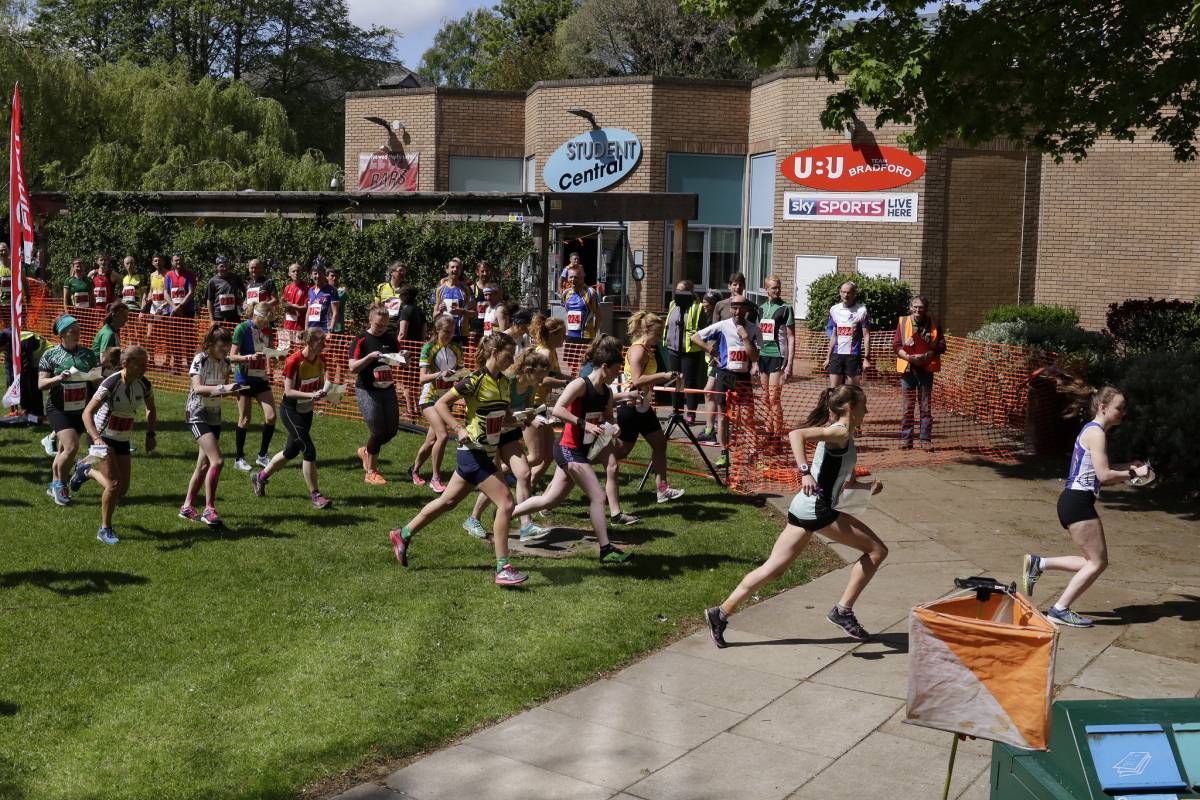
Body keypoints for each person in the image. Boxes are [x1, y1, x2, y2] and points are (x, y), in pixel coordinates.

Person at [705, 385, 888, 646]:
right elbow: (796, 434)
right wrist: (804, 472)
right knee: (877, 551)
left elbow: (840, 483)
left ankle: (720, 613)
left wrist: (867, 487)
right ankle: (842, 611)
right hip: (817, 509)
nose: (867, 410)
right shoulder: (839, 431)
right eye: (864, 405)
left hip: (805, 507)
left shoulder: (842, 434)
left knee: (774, 570)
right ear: (850, 408)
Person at [389, 333, 530, 587]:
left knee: (448, 502)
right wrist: (458, 427)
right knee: (507, 503)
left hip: (485, 452)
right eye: (508, 354)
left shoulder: (506, 383)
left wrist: (521, 418)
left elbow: (503, 416)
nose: (512, 359)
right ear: (495, 352)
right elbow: (442, 403)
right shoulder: (474, 380)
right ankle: (503, 567)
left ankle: (403, 533)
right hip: (473, 452)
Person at [1020, 383, 1150, 628]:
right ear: (1103, 407)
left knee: (1091, 560)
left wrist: (1128, 466)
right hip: (1077, 504)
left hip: (1074, 501)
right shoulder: (1097, 433)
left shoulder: (1093, 431)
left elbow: (1101, 474)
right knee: (1097, 562)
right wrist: (1134, 472)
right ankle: (1059, 609)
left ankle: (1040, 564)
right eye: (1119, 408)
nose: (1123, 412)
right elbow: (1103, 476)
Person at [509, 335, 633, 564]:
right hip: (568, 448)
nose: (619, 373)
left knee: (550, 499)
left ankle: (507, 514)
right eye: (616, 369)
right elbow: (557, 409)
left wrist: (612, 428)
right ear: (604, 367)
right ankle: (606, 550)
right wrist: (584, 424)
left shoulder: (606, 393)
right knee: (597, 496)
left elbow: (607, 419)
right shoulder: (580, 384)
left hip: (583, 451)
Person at [463, 348, 552, 543]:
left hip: (510, 433)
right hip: (492, 432)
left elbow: (527, 408)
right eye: (540, 377)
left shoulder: (529, 386)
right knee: (497, 481)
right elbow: (499, 416)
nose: (542, 381)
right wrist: (523, 421)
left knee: (524, 473)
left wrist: (532, 416)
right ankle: (473, 519)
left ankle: (526, 525)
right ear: (527, 370)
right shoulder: (507, 382)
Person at [604, 312, 685, 525]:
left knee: (660, 444)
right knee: (619, 452)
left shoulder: (647, 349)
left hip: (644, 406)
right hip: (631, 408)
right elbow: (638, 380)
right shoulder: (638, 350)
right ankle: (581, 461)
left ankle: (662, 489)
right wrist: (663, 376)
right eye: (657, 333)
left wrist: (671, 378)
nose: (660, 337)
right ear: (646, 331)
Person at [73, 345, 157, 544]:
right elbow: (87, 413)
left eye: (146, 364)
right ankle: (104, 529)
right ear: (126, 363)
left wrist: (150, 434)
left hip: (122, 439)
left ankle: (86, 471)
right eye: (141, 364)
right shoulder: (111, 383)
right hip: (102, 437)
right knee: (113, 485)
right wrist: (96, 439)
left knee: (123, 488)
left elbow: (151, 409)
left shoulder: (144, 384)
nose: (145, 369)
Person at [251, 328, 333, 509]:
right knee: (309, 450)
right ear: (310, 343)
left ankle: (260, 477)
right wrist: (312, 395)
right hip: (291, 410)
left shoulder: (321, 359)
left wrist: (324, 392)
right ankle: (315, 495)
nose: (324, 346)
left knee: (291, 451)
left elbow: (320, 382)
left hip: (307, 410)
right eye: (321, 343)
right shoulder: (294, 361)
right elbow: (288, 391)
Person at [180, 324, 241, 527]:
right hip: (197, 414)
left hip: (214, 415)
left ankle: (187, 507)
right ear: (211, 344)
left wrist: (234, 390)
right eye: (222, 346)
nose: (226, 350)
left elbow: (219, 390)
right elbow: (197, 389)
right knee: (218, 461)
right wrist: (225, 387)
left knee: (204, 464)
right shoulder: (200, 359)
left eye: (227, 346)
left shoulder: (224, 363)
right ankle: (209, 509)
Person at [38, 315, 101, 505]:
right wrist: (58, 378)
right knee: (72, 446)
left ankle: (53, 484)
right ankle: (60, 484)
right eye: (73, 331)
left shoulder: (89, 355)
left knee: (64, 450)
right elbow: (41, 384)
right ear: (62, 334)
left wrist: (97, 383)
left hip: (81, 410)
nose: (78, 334)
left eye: (78, 330)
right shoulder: (50, 355)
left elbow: (98, 382)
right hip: (58, 409)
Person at [692, 294, 760, 470]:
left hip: (743, 377)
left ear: (746, 309)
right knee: (723, 416)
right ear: (731, 309)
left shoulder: (753, 329)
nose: (738, 311)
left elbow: (755, 356)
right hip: (724, 374)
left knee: (747, 417)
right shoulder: (723, 325)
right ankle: (724, 454)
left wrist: (745, 338)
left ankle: (754, 455)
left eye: (741, 307)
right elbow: (695, 337)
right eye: (734, 307)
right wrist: (710, 350)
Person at [349, 304, 403, 484]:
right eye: (379, 325)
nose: (382, 328)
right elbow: (352, 367)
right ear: (371, 320)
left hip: (387, 388)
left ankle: (366, 452)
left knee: (392, 430)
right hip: (367, 390)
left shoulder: (391, 338)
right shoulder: (361, 340)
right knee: (378, 430)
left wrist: (405, 356)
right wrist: (369, 357)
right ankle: (371, 472)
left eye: (385, 325)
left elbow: (401, 362)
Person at [410, 315, 464, 491]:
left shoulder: (456, 348)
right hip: (429, 398)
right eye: (446, 332)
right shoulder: (429, 348)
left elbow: (460, 373)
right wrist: (440, 374)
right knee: (443, 435)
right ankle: (435, 478)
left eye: (452, 331)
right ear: (437, 330)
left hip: (446, 399)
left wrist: (463, 381)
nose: (449, 335)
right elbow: (422, 378)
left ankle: (414, 470)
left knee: (431, 440)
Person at [893, 295, 946, 450]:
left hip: (926, 370)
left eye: (921, 307)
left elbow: (942, 345)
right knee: (908, 408)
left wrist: (930, 354)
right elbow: (896, 345)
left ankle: (925, 440)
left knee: (925, 408)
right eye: (915, 306)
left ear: (925, 308)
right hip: (908, 370)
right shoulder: (903, 322)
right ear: (911, 307)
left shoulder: (934, 323)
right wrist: (907, 356)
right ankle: (906, 439)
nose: (917, 310)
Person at [230, 303, 278, 472]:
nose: (267, 324)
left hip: (260, 377)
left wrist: (276, 355)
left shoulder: (268, 329)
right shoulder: (241, 328)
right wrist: (248, 357)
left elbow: (267, 350)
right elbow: (231, 356)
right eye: (265, 321)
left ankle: (262, 456)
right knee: (245, 419)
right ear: (258, 316)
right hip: (243, 378)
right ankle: (239, 458)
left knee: (271, 416)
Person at [527, 315, 569, 483]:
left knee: (549, 455)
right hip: (533, 406)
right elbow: (542, 379)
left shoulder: (551, 351)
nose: (565, 338)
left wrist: (574, 378)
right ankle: (499, 473)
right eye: (562, 334)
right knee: (537, 457)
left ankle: (529, 486)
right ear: (552, 335)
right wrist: (566, 383)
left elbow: (553, 373)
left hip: (541, 406)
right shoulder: (544, 352)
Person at [663, 280, 707, 425]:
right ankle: (677, 411)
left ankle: (691, 414)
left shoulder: (698, 307)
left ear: (689, 292)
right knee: (675, 380)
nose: (677, 293)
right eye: (676, 290)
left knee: (689, 382)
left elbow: (702, 329)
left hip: (690, 350)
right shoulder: (672, 304)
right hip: (673, 348)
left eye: (681, 290)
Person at [824, 280, 871, 388]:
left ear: (854, 293)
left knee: (852, 392)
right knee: (834, 390)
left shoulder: (862, 310)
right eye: (843, 292)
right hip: (837, 355)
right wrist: (828, 357)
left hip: (853, 356)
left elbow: (866, 336)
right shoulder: (834, 309)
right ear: (840, 293)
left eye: (849, 292)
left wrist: (867, 358)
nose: (846, 295)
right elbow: (834, 335)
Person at [0, 327, 49, 422]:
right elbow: (9, 374)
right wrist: (12, 399)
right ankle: (28, 413)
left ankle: (36, 415)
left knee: (32, 382)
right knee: (18, 381)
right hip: (33, 358)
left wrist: (23, 405)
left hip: (45, 355)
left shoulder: (22, 342)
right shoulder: (7, 345)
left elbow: (25, 373)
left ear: (3, 345)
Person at [431, 257, 473, 344]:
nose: (455, 269)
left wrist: (463, 311)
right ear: (447, 270)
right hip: (444, 332)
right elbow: (434, 316)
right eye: (452, 267)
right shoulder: (439, 289)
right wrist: (439, 311)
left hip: (461, 334)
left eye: (458, 268)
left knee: (460, 358)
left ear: (460, 271)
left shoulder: (467, 290)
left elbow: (475, 313)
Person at [560, 263, 600, 345]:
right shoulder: (566, 293)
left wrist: (594, 333)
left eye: (576, 277)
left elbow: (599, 316)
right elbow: (568, 312)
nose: (573, 279)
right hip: (570, 336)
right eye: (571, 277)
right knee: (569, 358)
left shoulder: (591, 292)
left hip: (586, 337)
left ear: (581, 277)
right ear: (567, 278)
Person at [206, 255, 246, 324]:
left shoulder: (235, 278)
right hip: (218, 316)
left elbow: (245, 291)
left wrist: (243, 303)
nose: (224, 268)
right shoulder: (212, 281)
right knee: (220, 335)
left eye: (226, 266)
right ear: (217, 267)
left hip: (233, 315)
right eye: (222, 266)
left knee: (234, 334)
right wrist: (211, 320)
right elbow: (209, 300)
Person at [144, 254, 171, 349]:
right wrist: (147, 299)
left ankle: (168, 360)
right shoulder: (152, 275)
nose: (157, 262)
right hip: (154, 309)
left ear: (163, 262)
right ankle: (151, 360)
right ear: (152, 263)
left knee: (167, 337)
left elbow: (170, 292)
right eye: (155, 261)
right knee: (150, 335)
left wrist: (165, 305)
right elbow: (151, 290)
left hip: (165, 310)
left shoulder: (168, 274)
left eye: (159, 260)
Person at [280, 262, 309, 349]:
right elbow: (285, 306)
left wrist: (292, 306)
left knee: (298, 351)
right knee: (286, 351)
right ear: (289, 274)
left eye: (298, 271)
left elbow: (307, 308)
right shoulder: (287, 288)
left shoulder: (307, 288)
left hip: (300, 326)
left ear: (302, 273)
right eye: (293, 271)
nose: (296, 273)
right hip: (287, 325)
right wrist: (283, 304)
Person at [470, 260, 502, 339]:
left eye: (487, 271)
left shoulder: (497, 288)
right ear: (477, 272)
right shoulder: (472, 288)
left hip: (491, 328)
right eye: (482, 271)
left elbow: (500, 307)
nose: (485, 274)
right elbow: (469, 309)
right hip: (476, 329)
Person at [304, 262, 340, 333]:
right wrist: (306, 329)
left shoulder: (332, 290)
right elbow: (308, 311)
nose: (318, 276)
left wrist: (330, 331)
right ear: (311, 275)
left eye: (320, 273)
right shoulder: (310, 290)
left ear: (324, 275)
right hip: (311, 330)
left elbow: (335, 313)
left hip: (324, 330)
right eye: (315, 273)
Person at [374, 261, 406, 332]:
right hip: (383, 323)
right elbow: (376, 306)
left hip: (397, 325)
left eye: (404, 271)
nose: (403, 273)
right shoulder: (381, 287)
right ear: (392, 272)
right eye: (400, 270)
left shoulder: (406, 289)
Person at [327, 267, 348, 335]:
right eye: (332, 276)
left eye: (337, 276)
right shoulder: (323, 289)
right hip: (324, 326)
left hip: (337, 327)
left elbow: (335, 304)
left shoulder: (343, 289)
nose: (334, 278)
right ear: (327, 277)